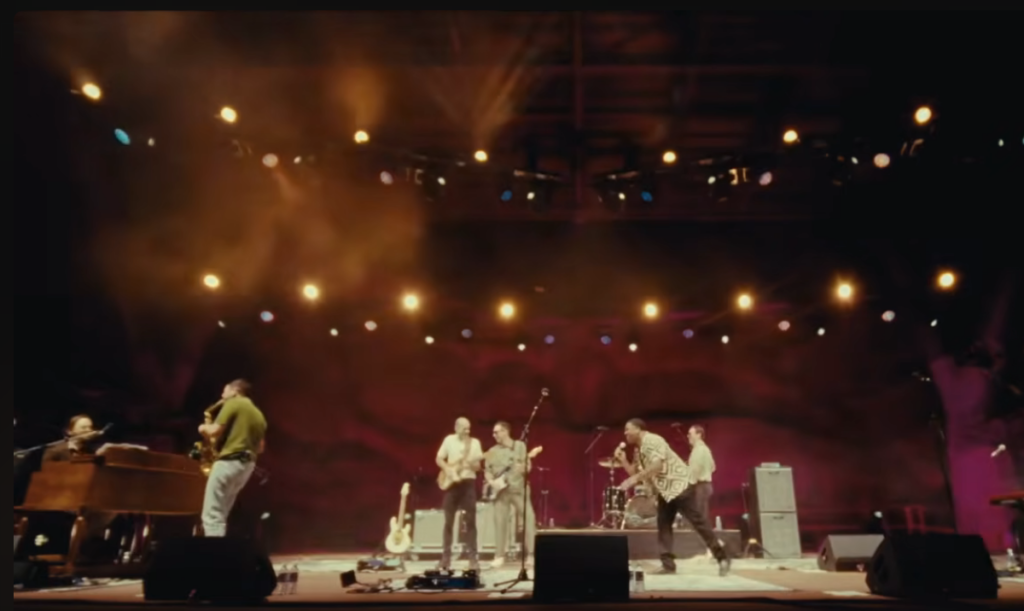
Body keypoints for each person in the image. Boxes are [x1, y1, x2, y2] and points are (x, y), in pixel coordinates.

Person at [616, 418, 730, 575]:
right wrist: (623, 461)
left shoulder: (653, 440)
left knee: (699, 523)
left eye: (628, 429)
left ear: (638, 429)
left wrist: (632, 480)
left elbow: (657, 466)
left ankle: (722, 558)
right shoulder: (641, 449)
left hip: (680, 486)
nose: (625, 433)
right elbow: (639, 475)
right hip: (665, 492)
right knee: (663, 526)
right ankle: (668, 565)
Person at [199, 379, 267, 537]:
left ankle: (214, 556)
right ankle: (222, 554)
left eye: (224, 391)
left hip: (228, 462)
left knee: (212, 515)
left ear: (235, 391)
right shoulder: (259, 414)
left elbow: (214, 430)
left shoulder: (233, 403)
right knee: (222, 515)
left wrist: (202, 428)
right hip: (246, 466)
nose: (222, 395)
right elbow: (261, 447)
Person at [484, 421, 537, 569]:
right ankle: (499, 555)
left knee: (528, 520)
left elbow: (527, 465)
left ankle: (531, 555)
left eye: (497, 432)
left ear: (505, 431)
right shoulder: (491, 450)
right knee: (500, 522)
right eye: (493, 432)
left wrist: (524, 468)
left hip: (518, 489)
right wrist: (491, 481)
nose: (494, 435)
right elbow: (487, 470)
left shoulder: (519, 446)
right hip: (500, 491)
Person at [436, 417, 484, 570]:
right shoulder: (448, 440)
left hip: (468, 483)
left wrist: (472, 464)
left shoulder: (475, 443)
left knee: (471, 522)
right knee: (448, 522)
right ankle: (445, 558)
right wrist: (448, 469)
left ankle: (473, 558)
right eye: (464, 428)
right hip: (451, 484)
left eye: (469, 428)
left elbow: (478, 466)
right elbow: (439, 458)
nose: (467, 431)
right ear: (456, 427)